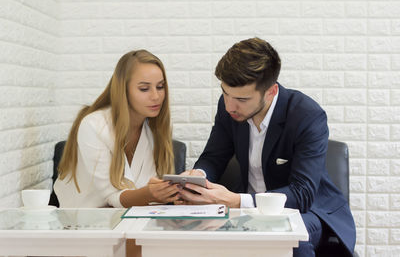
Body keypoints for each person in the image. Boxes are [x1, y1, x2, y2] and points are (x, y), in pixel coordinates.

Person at [177, 38, 356, 256]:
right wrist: (198, 176)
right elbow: (214, 157)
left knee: (288, 237)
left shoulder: (307, 115)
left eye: (242, 99)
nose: (229, 105)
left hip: (308, 211)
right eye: (225, 92)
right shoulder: (229, 107)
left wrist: (237, 201)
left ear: (271, 91)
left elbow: (302, 193)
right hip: (247, 213)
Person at [54, 49, 180, 208]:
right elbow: (112, 199)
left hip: (133, 223)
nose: (156, 96)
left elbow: (149, 199)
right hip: (85, 224)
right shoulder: (94, 126)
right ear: (123, 89)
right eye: (144, 88)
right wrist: (150, 194)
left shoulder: (155, 130)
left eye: (160, 87)